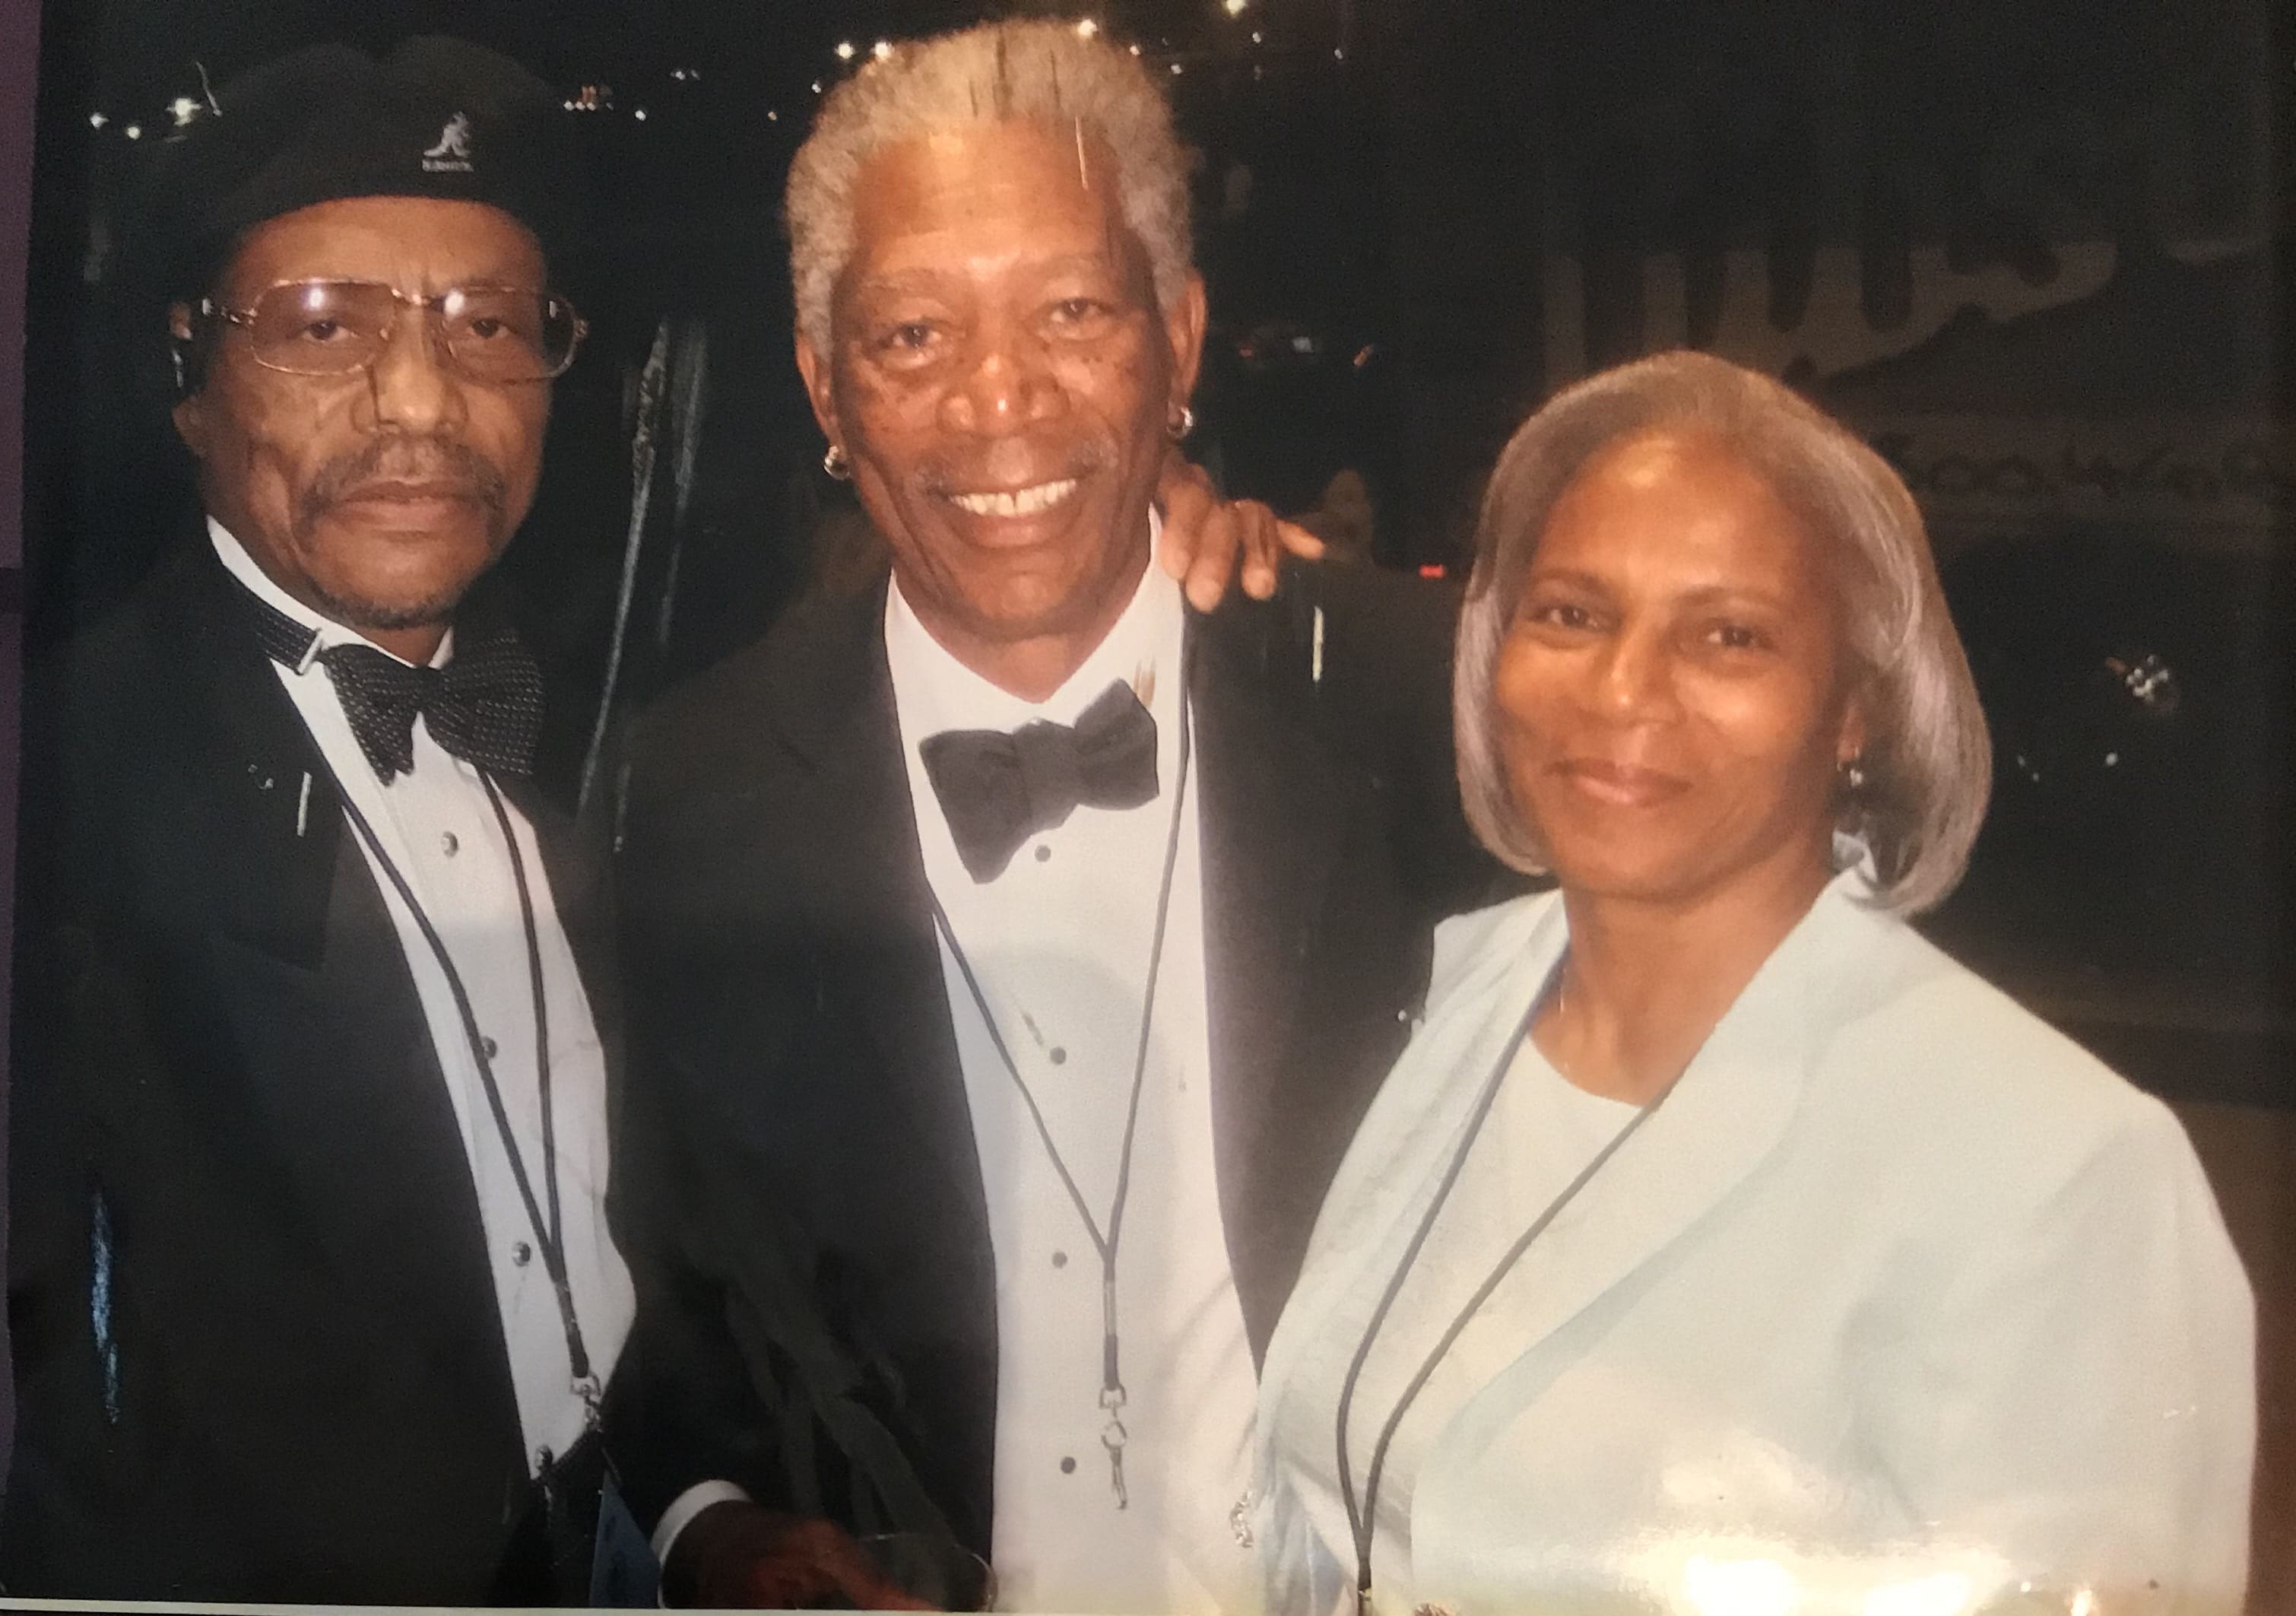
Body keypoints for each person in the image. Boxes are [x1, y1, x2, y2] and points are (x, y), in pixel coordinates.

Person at [607, 20, 1499, 1612]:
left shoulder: (1413, 707)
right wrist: (713, 1527)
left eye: (1073, 311)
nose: (998, 400)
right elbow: (659, 1283)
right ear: (825, 387)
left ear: (1181, 340)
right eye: (911, 335)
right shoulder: (691, 789)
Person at [1253, 351, 2257, 1616]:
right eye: (1572, 611)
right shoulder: (1458, 997)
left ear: (1856, 709)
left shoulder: (2056, 1170)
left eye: (1729, 636)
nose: (1622, 690)